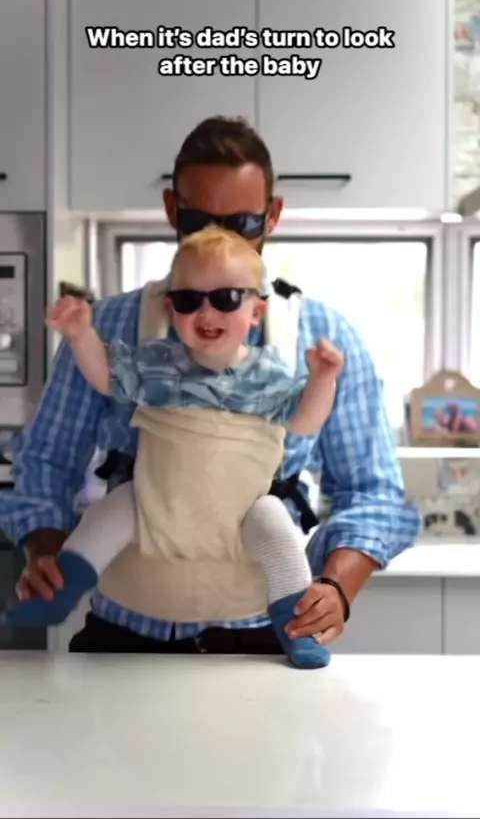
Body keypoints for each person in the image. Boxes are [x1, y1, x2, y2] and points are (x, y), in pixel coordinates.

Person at [0, 115, 421, 655]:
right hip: (124, 634)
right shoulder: (109, 329)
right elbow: (47, 463)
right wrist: (46, 556)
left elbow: (372, 492)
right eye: (198, 220)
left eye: (241, 222)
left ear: (273, 215)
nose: (218, 239)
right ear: (172, 210)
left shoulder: (324, 341)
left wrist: (337, 587)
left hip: (260, 637)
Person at [4, 226, 345, 669]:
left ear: (256, 313)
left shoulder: (269, 374)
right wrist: (80, 336)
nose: (206, 312)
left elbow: (305, 421)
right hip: (155, 501)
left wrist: (323, 380)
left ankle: (297, 631)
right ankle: (60, 594)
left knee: (278, 532)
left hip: (243, 512)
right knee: (112, 510)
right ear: (171, 308)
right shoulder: (157, 364)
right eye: (188, 300)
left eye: (225, 299)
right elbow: (105, 378)